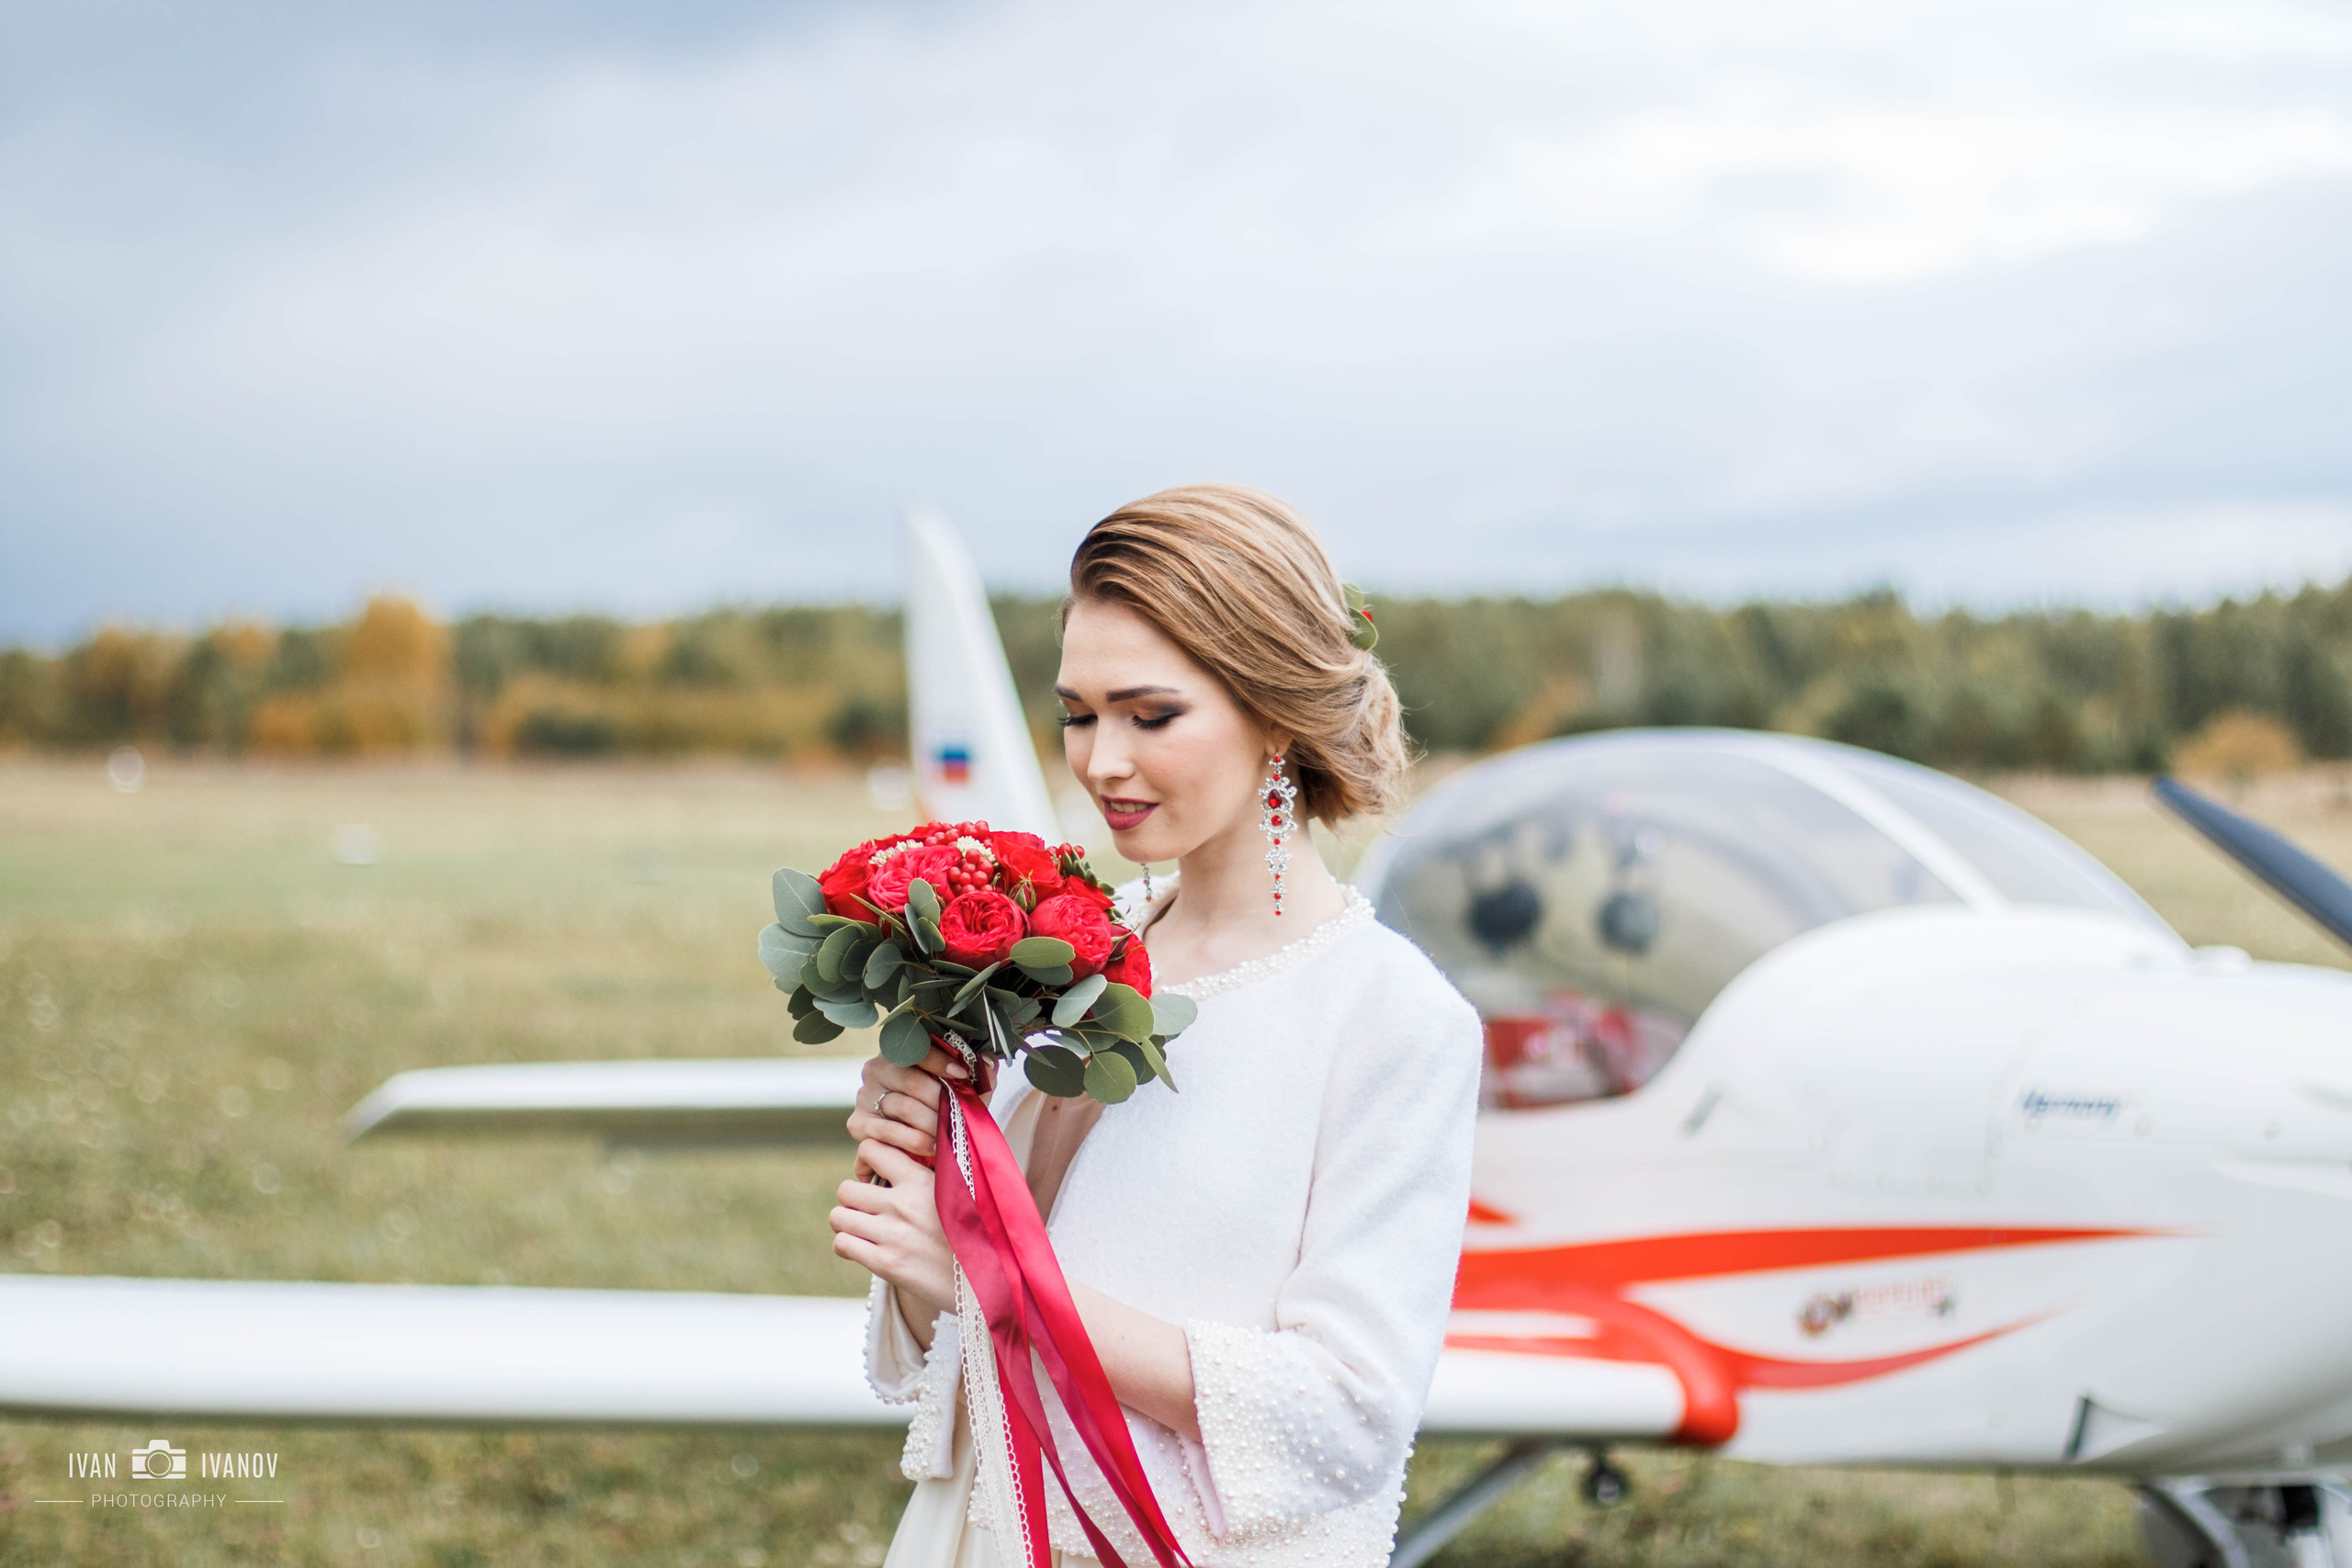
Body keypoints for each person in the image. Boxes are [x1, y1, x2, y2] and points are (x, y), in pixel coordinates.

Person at [827, 483, 1485, 1567]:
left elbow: (1343, 1416)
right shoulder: (1058, 954)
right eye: (1078, 715)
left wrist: (994, 1275)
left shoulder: (1390, 1016)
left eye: (1150, 714)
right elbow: (959, 1343)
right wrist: (924, 1179)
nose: (1100, 762)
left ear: (1274, 711)